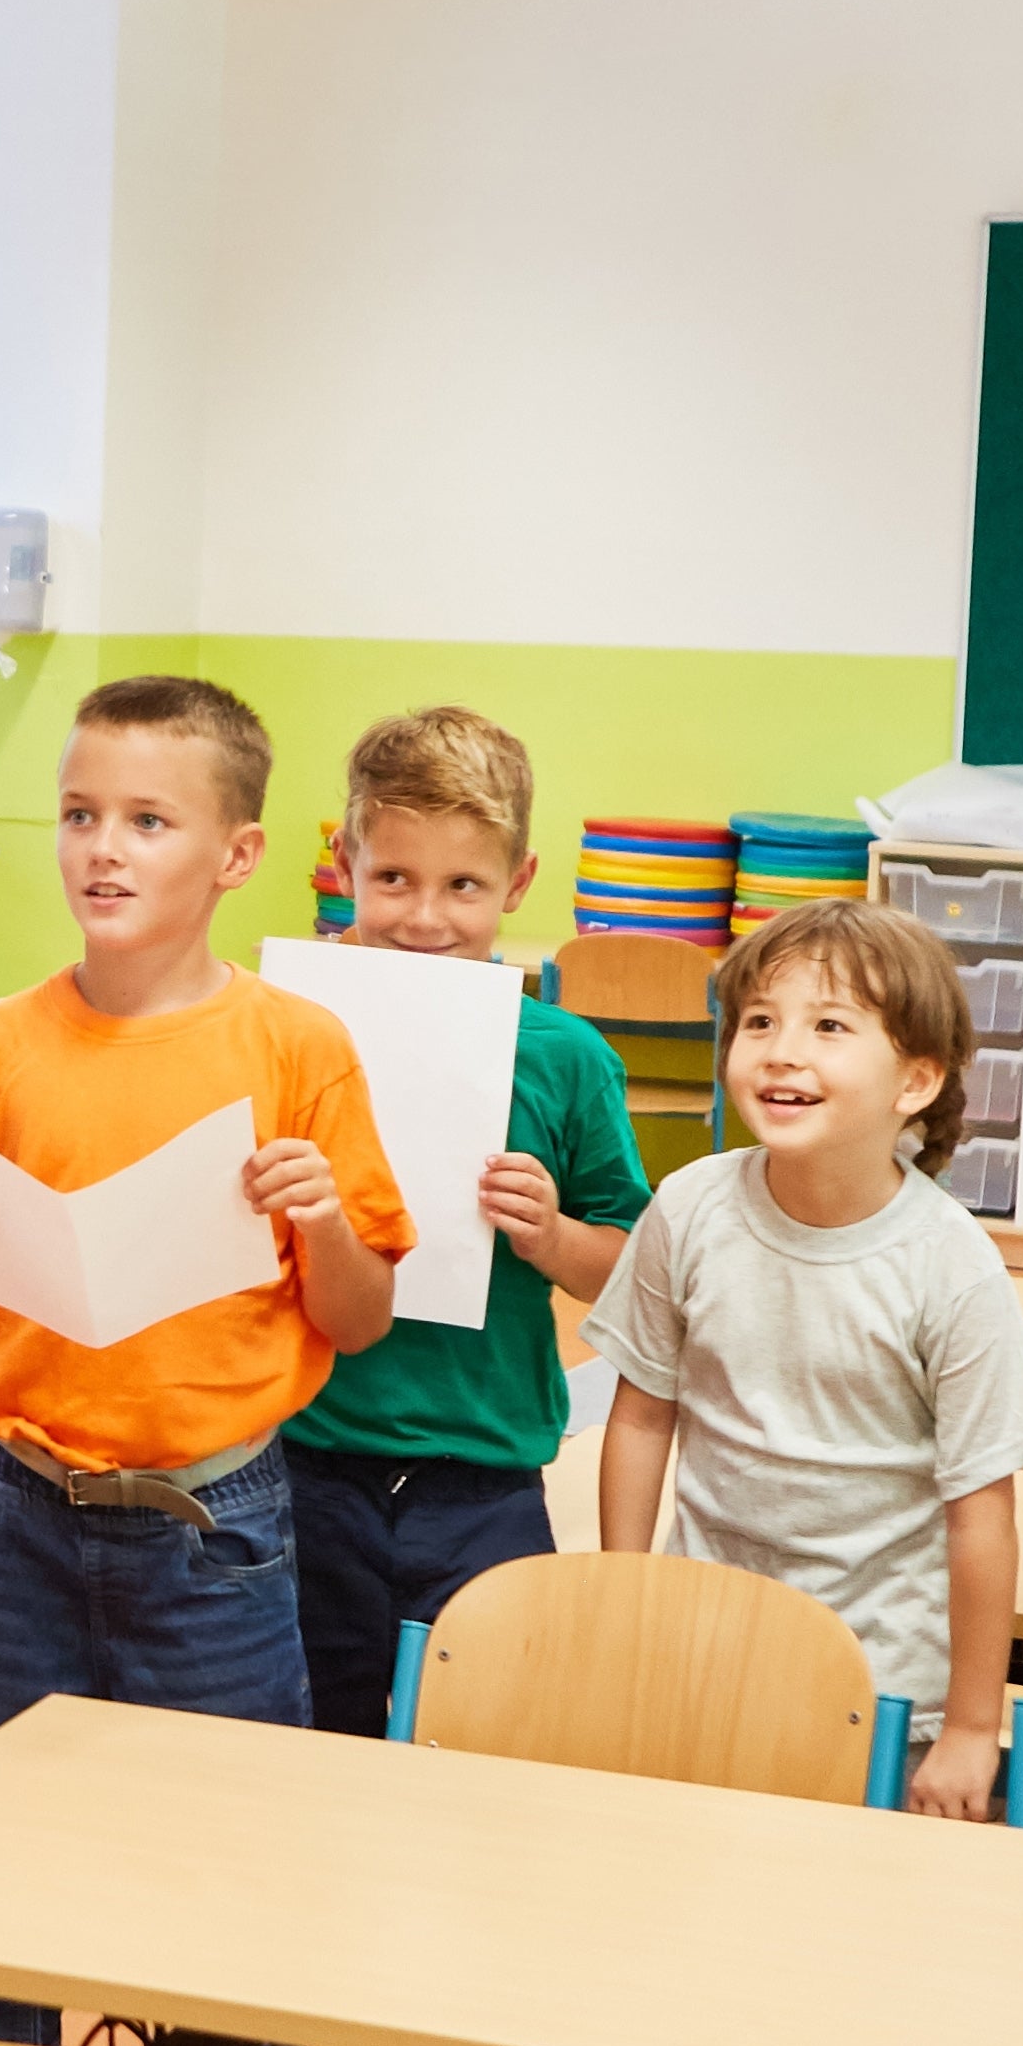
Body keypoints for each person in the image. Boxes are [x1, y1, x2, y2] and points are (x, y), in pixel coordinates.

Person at [0, 672, 410, 2046]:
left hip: (211, 1532)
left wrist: (325, 1221)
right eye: (80, 814)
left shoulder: (296, 1047)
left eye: (148, 820)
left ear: (234, 854)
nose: (103, 848)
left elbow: (356, 1321)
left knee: (224, 1872)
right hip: (17, 1519)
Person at [591, 901, 1023, 1818]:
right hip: (705, 1648)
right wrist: (626, 1600)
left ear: (915, 1081)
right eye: (759, 1021)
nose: (780, 1050)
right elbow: (642, 1417)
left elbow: (981, 1513)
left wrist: (970, 1726)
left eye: (829, 1026)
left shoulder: (950, 1264)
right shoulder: (688, 1208)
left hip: (883, 1688)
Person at [280, 707, 656, 1741]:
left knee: (489, 1738)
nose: (423, 917)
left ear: (520, 885)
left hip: (483, 1473)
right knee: (308, 1742)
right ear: (345, 862)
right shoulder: (283, 1029)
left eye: (464, 887)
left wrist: (546, 1234)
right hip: (305, 1456)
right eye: (392, 878)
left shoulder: (564, 1058)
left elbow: (625, 1268)